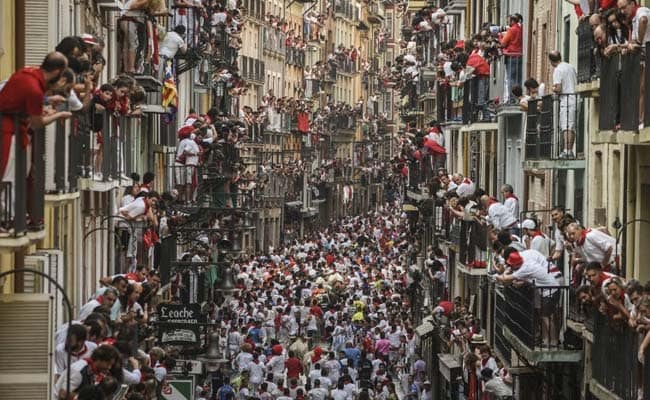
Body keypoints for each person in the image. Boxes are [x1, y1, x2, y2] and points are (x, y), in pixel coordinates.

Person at [549, 51, 577, 159]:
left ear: (551, 61)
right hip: (575, 98)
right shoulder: (570, 67)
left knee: (566, 126)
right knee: (572, 126)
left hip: (566, 100)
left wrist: (553, 88)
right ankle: (570, 150)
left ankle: (567, 151)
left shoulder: (558, 70)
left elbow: (558, 88)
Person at [500, 14, 523, 98]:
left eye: (508, 20)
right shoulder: (520, 29)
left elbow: (503, 43)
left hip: (511, 56)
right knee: (518, 78)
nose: (507, 22)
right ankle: (518, 97)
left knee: (511, 78)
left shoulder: (511, 30)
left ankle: (512, 98)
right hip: (519, 56)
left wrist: (500, 37)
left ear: (512, 21)